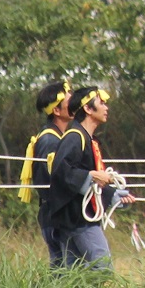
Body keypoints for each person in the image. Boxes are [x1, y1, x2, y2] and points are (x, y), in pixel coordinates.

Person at [44, 85, 132, 270]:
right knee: (102, 268)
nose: (106, 108)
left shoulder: (87, 138)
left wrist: (114, 195)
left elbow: (91, 182)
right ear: (87, 108)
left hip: (74, 218)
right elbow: (61, 172)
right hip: (77, 220)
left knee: (72, 275)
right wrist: (91, 175)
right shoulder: (74, 138)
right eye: (102, 103)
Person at [21, 78, 74, 268]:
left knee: (64, 271)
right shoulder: (50, 141)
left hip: (57, 215)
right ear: (57, 111)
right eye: (70, 102)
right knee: (65, 271)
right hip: (56, 217)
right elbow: (53, 184)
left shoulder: (61, 137)